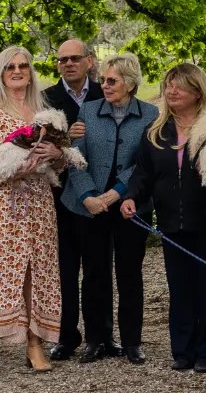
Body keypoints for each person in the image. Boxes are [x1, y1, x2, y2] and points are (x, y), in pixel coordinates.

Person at [0, 45, 68, 376]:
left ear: (31, 72)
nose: (17, 71)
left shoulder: (44, 114)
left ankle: (35, 344)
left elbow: (61, 164)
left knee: (39, 272)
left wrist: (57, 154)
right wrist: (17, 168)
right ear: (1, 73)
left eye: (23, 65)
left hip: (39, 204)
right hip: (2, 206)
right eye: (10, 67)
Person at [120, 63, 206, 372]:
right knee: (180, 289)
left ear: (197, 91)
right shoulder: (156, 131)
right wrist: (131, 196)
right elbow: (144, 172)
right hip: (170, 223)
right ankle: (183, 350)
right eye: (168, 85)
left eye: (179, 85)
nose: (171, 90)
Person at [62, 54, 158, 365]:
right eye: (103, 80)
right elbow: (75, 157)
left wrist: (116, 192)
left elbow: (145, 163)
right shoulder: (88, 111)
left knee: (129, 274)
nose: (104, 85)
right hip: (89, 206)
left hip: (130, 204)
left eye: (112, 80)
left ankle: (132, 342)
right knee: (94, 274)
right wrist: (88, 195)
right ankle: (97, 339)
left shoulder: (151, 114)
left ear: (130, 83)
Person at [42, 39, 101, 361]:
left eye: (75, 58)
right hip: (57, 195)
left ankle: (98, 336)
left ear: (89, 61)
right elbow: (35, 143)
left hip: (95, 194)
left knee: (96, 268)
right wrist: (66, 140)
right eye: (62, 59)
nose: (68, 64)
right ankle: (66, 337)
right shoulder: (46, 98)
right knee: (63, 270)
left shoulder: (104, 93)